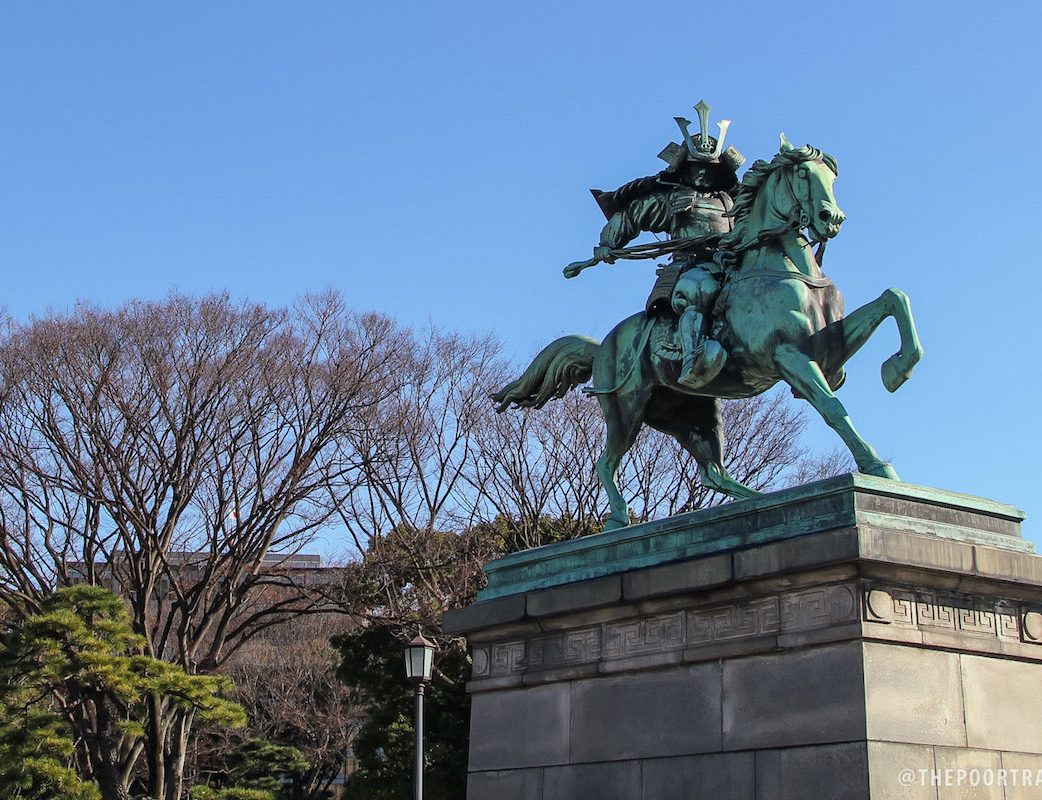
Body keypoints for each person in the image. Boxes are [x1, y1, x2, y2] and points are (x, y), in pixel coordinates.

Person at [576, 101, 744, 389]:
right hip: (689, 268)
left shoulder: (731, 202)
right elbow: (632, 216)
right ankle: (692, 359)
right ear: (683, 169)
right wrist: (608, 242)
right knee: (699, 291)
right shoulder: (672, 200)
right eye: (696, 168)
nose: (701, 174)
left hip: (728, 265)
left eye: (708, 169)